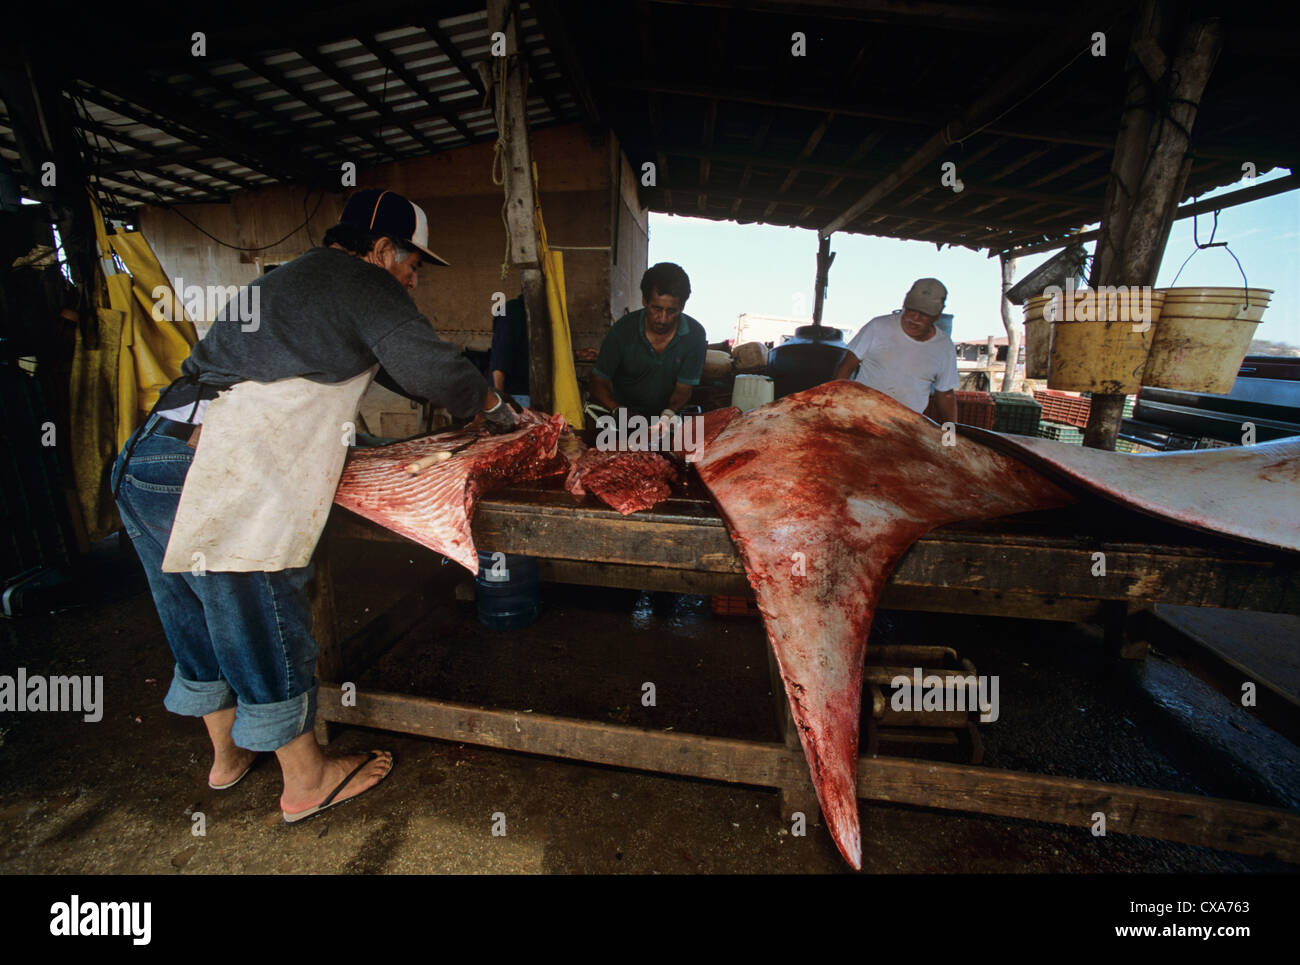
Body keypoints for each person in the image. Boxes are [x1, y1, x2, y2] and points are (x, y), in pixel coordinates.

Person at [112, 188, 515, 823]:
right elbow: (430, 370)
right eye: (413, 267)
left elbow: (390, 364)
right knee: (259, 608)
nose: (414, 283)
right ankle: (305, 780)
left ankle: (227, 759)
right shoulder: (361, 279)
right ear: (382, 251)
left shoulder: (293, 280)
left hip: (150, 459)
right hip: (219, 467)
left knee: (193, 610)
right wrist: (498, 410)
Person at [588, 262, 707, 423]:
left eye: (671, 311)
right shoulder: (622, 331)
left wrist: (667, 416)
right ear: (644, 301)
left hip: (666, 415)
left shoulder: (695, 335)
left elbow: (683, 390)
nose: (663, 319)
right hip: (621, 416)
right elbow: (598, 382)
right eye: (656, 309)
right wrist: (618, 410)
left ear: (683, 306)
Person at [833, 277, 959, 425]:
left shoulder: (944, 347)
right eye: (911, 310)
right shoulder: (878, 327)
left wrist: (950, 436)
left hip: (906, 428)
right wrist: (835, 409)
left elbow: (946, 395)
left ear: (937, 315)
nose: (914, 318)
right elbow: (846, 367)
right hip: (862, 419)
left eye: (924, 314)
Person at [489, 293, 530, 408]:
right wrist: (500, 400)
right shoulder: (511, 312)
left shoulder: (535, 313)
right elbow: (500, 358)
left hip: (524, 393)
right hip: (515, 395)